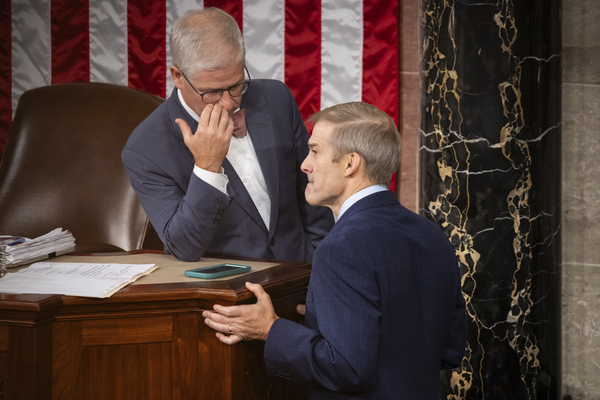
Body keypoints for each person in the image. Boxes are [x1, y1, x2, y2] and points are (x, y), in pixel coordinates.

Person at [202, 102, 466, 399]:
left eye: (315, 150)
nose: (305, 164)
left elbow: (347, 370)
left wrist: (270, 329)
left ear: (350, 164)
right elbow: (450, 350)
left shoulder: (341, 248)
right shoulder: (431, 234)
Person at [122, 8, 334, 262]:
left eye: (236, 86)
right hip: (226, 294)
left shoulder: (276, 98)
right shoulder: (145, 149)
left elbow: (314, 195)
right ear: (178, 77)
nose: (228, 103)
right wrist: (207, 167)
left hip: (301, 277)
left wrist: (319, 271)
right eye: (211, 92)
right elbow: (184, 248)